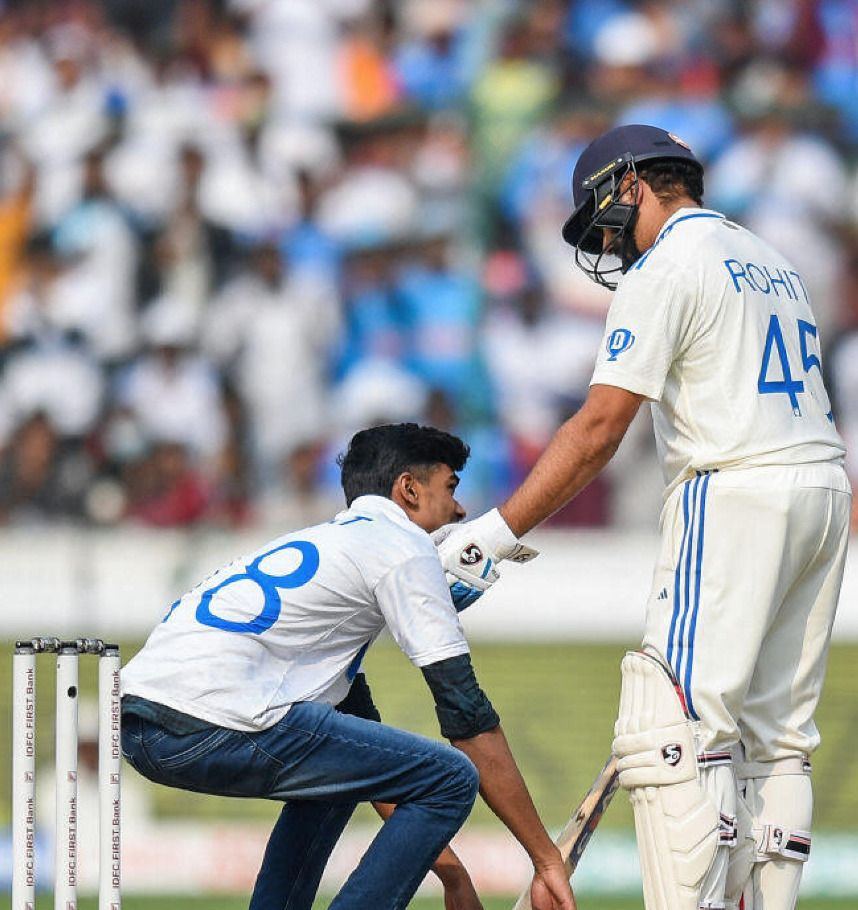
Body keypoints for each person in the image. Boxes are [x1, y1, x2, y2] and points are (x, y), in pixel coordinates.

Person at [436, 125, 851, 910]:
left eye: (599, 213)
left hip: (732, 487)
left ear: (632, 183)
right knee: (778, 744)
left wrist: (490, 536)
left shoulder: (669, 264)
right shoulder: (773, 259)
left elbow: (599, 429)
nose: (601, 240)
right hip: (822, 489)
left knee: (676, 730)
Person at [120, 423, 574, 910]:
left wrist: (452, 875)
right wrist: (546, 860)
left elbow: (361, 745)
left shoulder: (330, 547)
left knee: (336, 780)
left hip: (138, 725)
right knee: (453, 776)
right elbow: (467, 718)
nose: (460, 511)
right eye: (450, 489)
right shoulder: (403, 547)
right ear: (408, 489)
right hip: (211, 718)